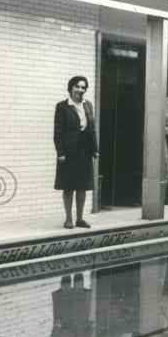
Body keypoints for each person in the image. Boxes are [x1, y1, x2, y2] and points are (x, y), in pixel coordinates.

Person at [54, 75, 99, 228]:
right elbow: (57, 132)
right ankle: (68, 219)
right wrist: (60, 153)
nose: (80, 90)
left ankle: (80, 218)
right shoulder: (62, 106)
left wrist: (95, 149)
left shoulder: (88, 105)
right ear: (71, 87)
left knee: (82, 185)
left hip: (85, 150)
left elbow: (92, 128)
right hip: (68, 152)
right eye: (77, 86)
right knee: (69, 185)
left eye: (83, 87)